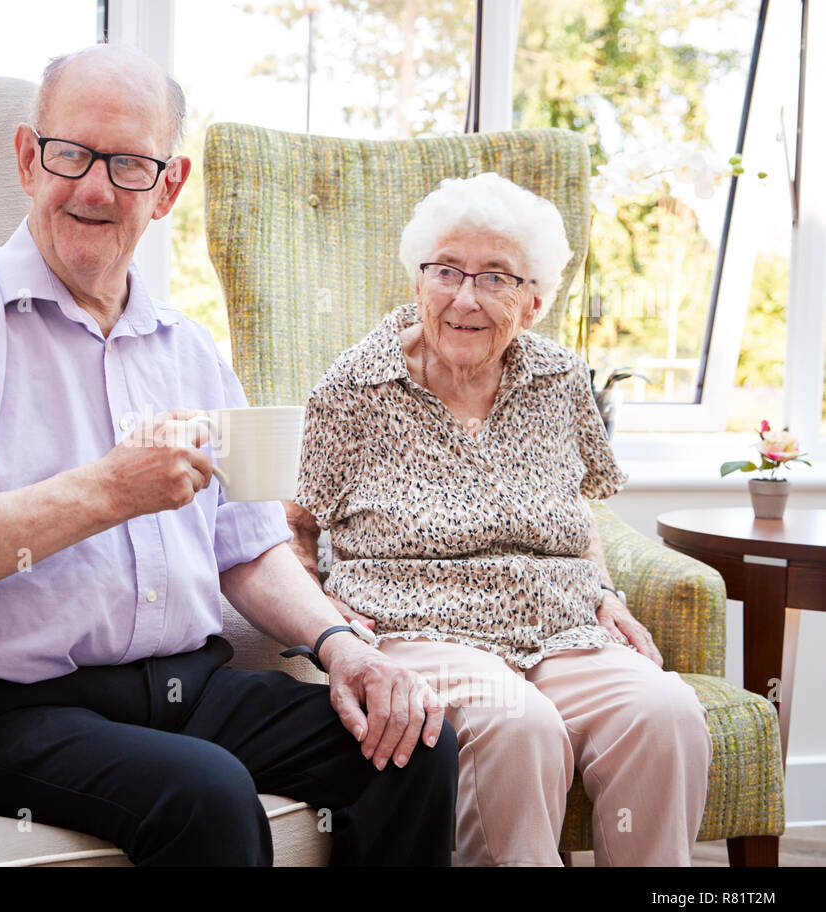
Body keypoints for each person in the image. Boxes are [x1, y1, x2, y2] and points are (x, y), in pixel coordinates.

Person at [0, 44, 458, 866]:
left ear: (169, 187)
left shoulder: (189, 351)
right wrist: (106, 492)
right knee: (202, 791)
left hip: (181, 687)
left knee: (412, 740)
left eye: (129, 164)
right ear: (29, 159)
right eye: (72, 154)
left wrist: (344, 645)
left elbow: (250, 546)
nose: (95, 188)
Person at [287, 171, 712, 866]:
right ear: (418, 280)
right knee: (518, 724)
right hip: (420, 628)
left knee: (665, 714)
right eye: (447, 271)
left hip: (560, 626)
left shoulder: (560, 380)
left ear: (534, 301)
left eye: (495, 278)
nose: (464, 297)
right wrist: (328, 620)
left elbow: (576, 511)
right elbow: (296, 522)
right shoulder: (355, 386)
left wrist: (602, 591)